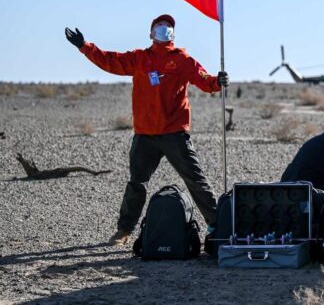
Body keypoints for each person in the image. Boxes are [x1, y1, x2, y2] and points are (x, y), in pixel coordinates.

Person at [64, 15, 228, 246]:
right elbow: (110, 60)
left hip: (174, 133)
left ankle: (217, 225)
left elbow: (203, 79)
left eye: (168, 26)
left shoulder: (182, 59)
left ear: (173, 33)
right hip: (145, 135)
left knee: (195, 179)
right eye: (159, 26)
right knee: (136, 183)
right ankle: (124, 231)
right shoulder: (140, 58)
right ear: (151, 34)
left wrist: (217, 81)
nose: (164, 29)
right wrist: (84, 46)